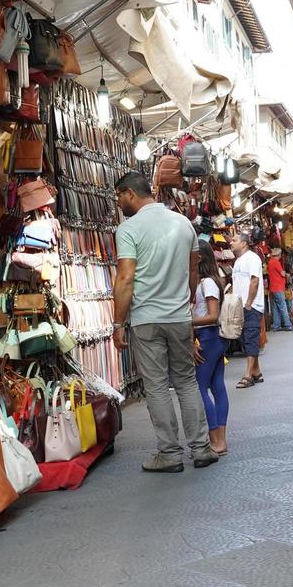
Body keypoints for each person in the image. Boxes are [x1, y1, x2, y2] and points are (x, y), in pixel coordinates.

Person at [112, 172, 218, 474]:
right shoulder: (183, 223)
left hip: (146, 318)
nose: (119, 203)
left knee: (157, 386)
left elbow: (126, 277)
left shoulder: (129, 229)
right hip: (179, 316)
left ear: (130, 193)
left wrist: (118, 323)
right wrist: (185, 302)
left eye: (119, 197)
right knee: (186, 382)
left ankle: (169, 453)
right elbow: (193, 270)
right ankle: (201, 449)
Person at [191, 240, 230, 456]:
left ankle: (216, 439)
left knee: (200, 388)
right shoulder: (208, 281)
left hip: (209, 337)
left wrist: (189, 323)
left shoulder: (207, 283)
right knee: (217, 386)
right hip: (212, 338)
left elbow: (213, 316)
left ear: (199, 257)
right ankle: (220, 440)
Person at [229, 230, 265, 389]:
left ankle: (248, 375)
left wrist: (249, 302)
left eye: (234, 240)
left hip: (251, 305)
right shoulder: (238, 261)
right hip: (240, 305)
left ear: (243, 243)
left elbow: (254, 281)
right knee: (245, 338)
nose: (231, 242)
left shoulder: (252, 258)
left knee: (250, 338)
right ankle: (256, 372)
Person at [265, 247, 293, 332]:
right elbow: (282, 273)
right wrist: (286, 273)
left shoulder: (270, 262)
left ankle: (276, 326)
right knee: (283, 306)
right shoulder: (276, 262)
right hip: (278, 287)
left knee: (276, 308)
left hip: (273, 287)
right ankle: (288, 325)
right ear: (279, 255)